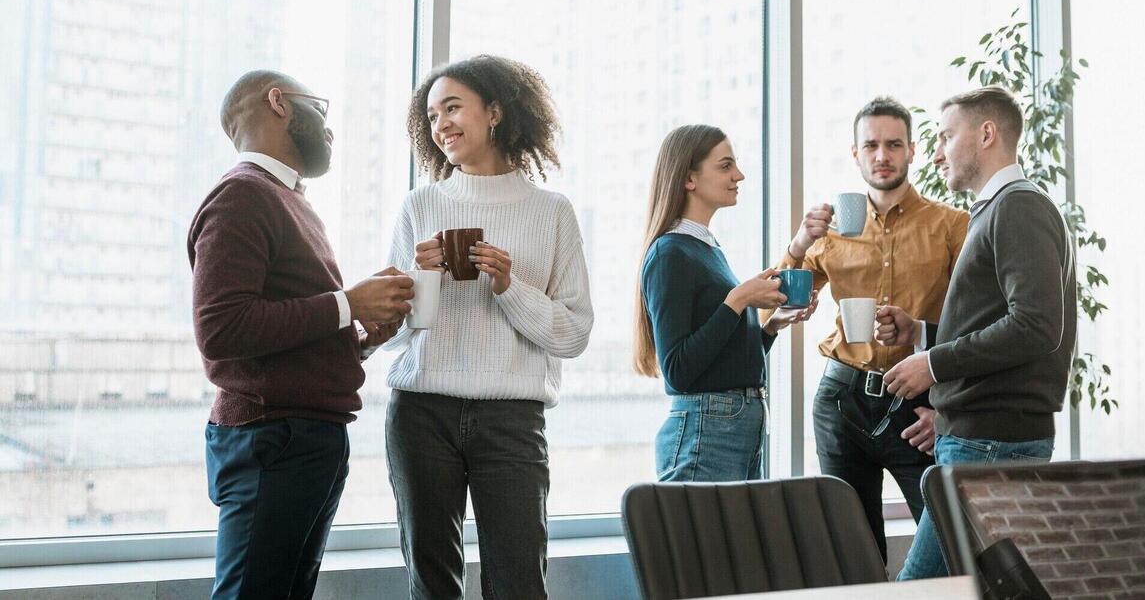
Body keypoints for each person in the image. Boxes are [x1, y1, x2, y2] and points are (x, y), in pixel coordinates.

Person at [188, 70, 415, 600]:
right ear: (279, 103)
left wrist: (362, 334)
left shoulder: (288, 200)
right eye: (321, 108)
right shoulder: (242, 195)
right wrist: (348, 302)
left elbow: (282, 329)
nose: (329, 128)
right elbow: (222, 330)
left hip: (301, 438)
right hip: (273, 440)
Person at [374, 55, 593, 600]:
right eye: (430, 116)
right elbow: (405, 331)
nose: (440, 124)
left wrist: (507, 286)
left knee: (519, 580)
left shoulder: (553, 213)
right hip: (421, 412)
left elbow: (572, 333)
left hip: (512, 419)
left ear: (494, 111)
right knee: (431, 582)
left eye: (453, 107)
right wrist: (424, 280)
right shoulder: (419, 205)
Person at [875, 85, 1077, 580]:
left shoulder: (1017, 207)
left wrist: (933, 364)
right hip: (982, 440)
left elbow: (1034, 326)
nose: (937, 151)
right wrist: (924, 333)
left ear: (986, 134)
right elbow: (997, 320)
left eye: (946, 136)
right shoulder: (997, 209)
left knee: (916, 591)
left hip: (989, 444)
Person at [763, 97, 968, 564]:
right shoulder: (830, 231)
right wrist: (798, 244)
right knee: (853, 552)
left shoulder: (952, 226)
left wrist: (950, 413)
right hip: (842, 399)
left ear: (913, 151)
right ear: (855, 154)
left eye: (894, 144)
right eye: (871, 145)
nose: (882, 155)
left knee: (947, 549)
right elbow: (776, 301)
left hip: (919, 408)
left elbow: (976, 326)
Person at [634, 124, 816, 483]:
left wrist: (770, 327)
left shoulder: (706, 249)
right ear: (689, 179)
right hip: (708, 427)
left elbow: (721, 360)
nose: (739, 175)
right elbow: (678, 371)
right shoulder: (670, 252)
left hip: (734, 423)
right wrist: (739, 299)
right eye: (725, 166)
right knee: (706, 541)